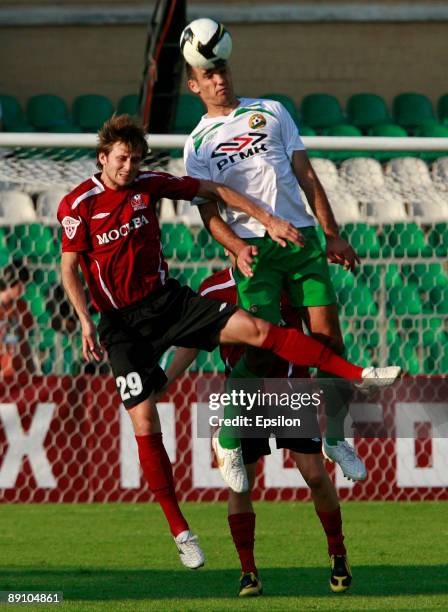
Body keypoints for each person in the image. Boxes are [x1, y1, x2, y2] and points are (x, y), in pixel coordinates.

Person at [57, 114, 399, 571]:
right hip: (123, 326)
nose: (130, 167)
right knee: (148, 423)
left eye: (137, 159)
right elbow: (70, 268)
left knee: (267, 347)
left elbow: (212, 192)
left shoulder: (150, 185)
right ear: (104, 157)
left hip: (175, 306)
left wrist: (268, 218)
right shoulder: (78, 204)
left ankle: (355, 384)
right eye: (122, 159)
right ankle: (187, 534)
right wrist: (85, 321)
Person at [183, 47, 370, 481]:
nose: (218, 79)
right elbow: (210, 215)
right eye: (207, 75)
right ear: (194, 85)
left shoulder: (271, 111)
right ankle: (227, 436)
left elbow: (306, 174)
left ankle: (336, 437)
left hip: (301, 240)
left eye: (221, 69)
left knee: (329, 342)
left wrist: (332, 232)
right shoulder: (197, 144)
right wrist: (237, 247)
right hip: (254, 248)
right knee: (262, 351)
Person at [159, 266, 353, 596]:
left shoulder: (283, 278)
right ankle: (248, 571)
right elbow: (190, 343)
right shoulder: (212, 289)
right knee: (241, 483)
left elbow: (315, 329)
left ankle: (338, 553)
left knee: (315, 474)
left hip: (290, 386)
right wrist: (165, 382)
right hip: (244, 397)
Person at [0, 260, 36, 381]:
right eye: (22, 284)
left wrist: (31, 369)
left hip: (20, 372)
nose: (24, 289)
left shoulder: (22, 307)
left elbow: (25, 343)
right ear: (12, 282)